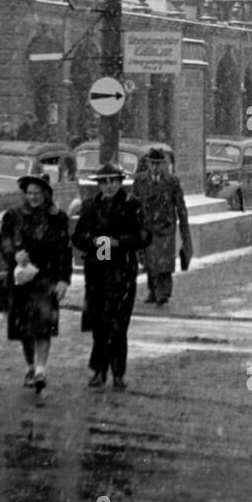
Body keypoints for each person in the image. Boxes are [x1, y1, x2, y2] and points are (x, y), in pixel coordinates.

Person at [72, 163, 149, 390]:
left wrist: (120, 243)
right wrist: (92, 241)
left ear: (120, 181)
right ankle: (98, 370)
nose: (108, 186)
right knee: (99, 325)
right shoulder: (90, 207)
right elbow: (77, 238)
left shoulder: (132, 205)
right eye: (103, 182)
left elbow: (144, 235)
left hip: (122, 273)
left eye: (112, 181)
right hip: (97, 274)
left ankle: (118, 372)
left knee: (119, 325)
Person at [0, 173, 71, 396]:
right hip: (21, 280)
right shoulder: (13, 216)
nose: (33, 198)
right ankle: (30, 366)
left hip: (46, 278)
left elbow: (64, 251)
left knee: (43, 326)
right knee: (24, 330)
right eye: (29, 193)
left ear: (46, 194)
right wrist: (14, 253)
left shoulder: (58, 218)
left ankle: (41, 370)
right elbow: (2, 241)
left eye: (37, 193)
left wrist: (64, 280)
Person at [132, 147, 192, 306]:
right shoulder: (140, 181)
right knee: (150, 262)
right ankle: (153, 291)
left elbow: (180, 206)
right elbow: (133, 203)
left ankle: (163, 294)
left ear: (163, 165)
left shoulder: (171, 182)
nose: (155, 167)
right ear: (148, 164)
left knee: (164, 264)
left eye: (158, 164)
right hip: (147, 227)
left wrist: (184, 230)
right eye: (152, 164)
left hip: (165, 228)